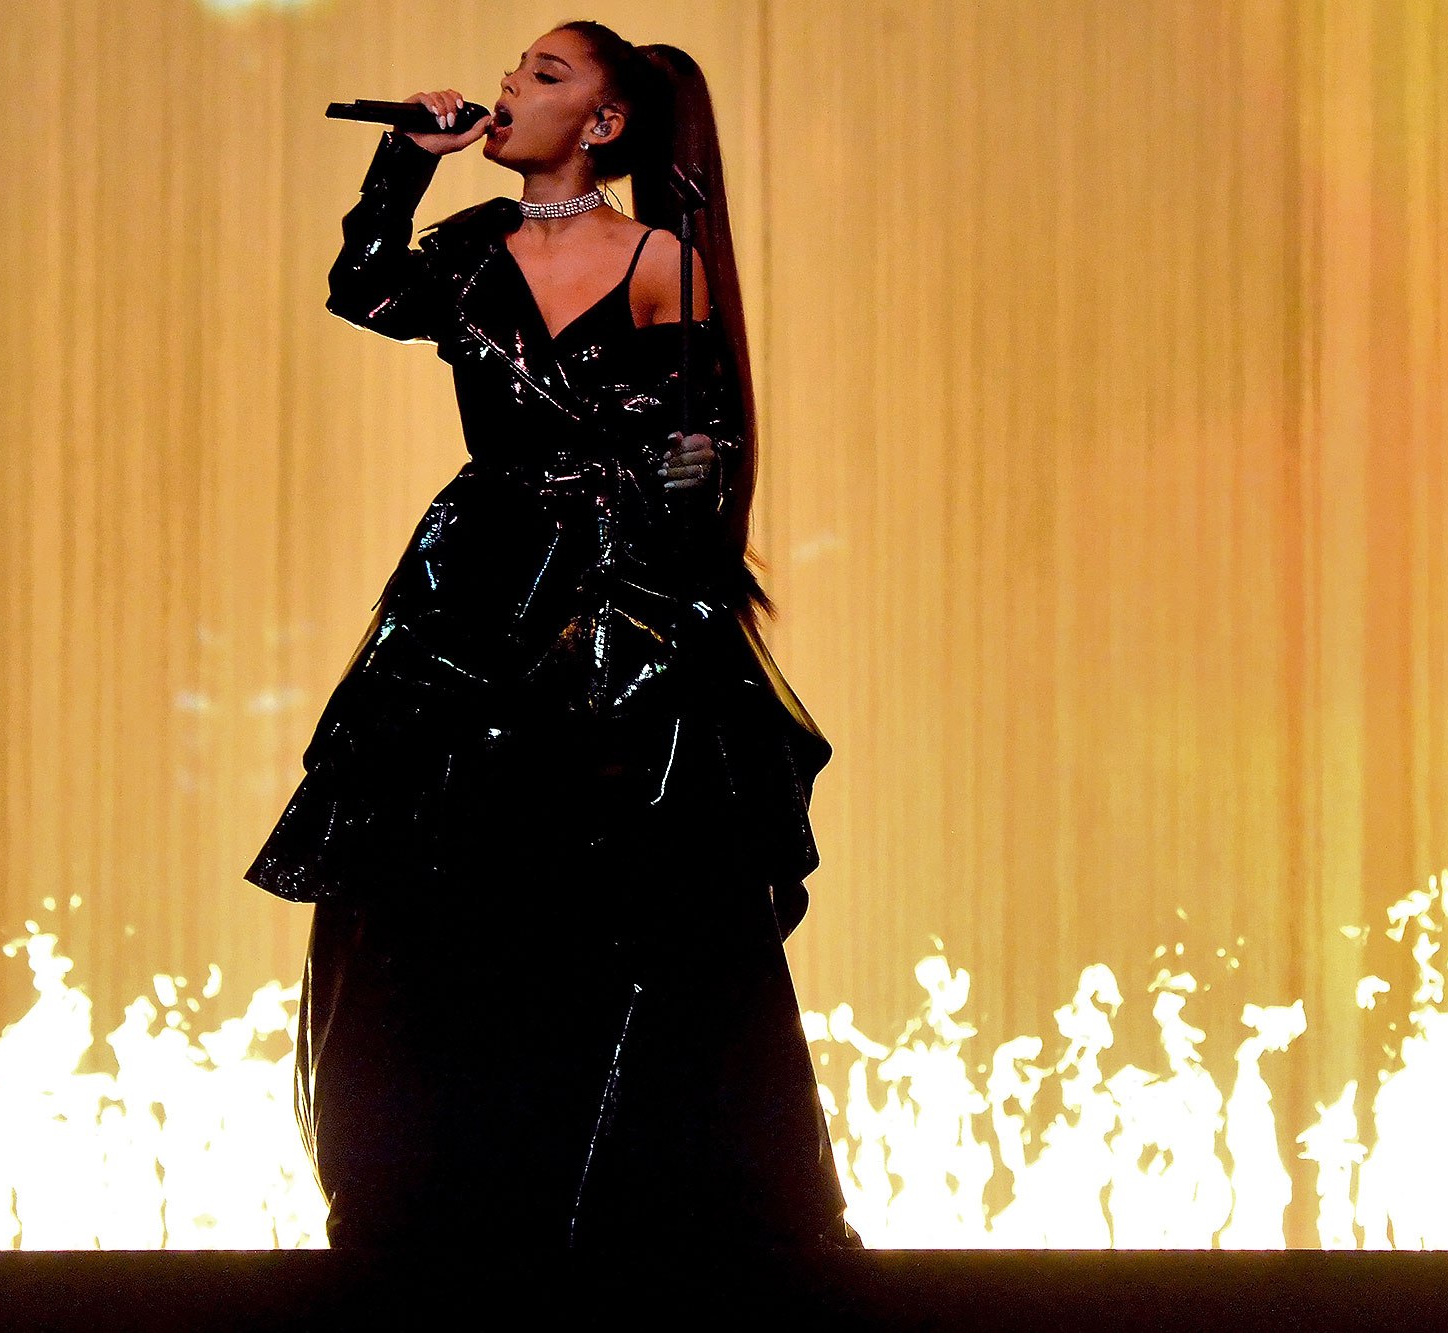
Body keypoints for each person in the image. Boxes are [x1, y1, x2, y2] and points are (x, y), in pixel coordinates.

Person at [246, 20, 859, 1250]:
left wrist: (694, 465)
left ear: (603, 123)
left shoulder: (658, 257)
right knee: (436, 869)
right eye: (513, 71)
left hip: (617, 597)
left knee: (626, 882)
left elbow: (702, 428)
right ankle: (437, 1191)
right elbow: (362, 289)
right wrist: (403, 162)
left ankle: (640, 1204)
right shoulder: (470, 249)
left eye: (543, 75)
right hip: (474, 583)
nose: (507, 87)